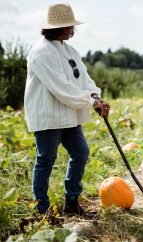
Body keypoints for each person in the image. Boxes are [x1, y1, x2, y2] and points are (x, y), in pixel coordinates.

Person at [24, 3, 110, 215]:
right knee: (46, 159)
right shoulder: (41, 52)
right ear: (53, 28)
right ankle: (41, 209)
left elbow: (84, 79)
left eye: (71, 26)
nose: (71, 30)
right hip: (49, 114)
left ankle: (71, 202)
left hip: (69, 114)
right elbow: (62, 87)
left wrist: (95, 96)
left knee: (81, 152)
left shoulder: (69, 49)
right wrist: (91, 103)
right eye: (66, 27)